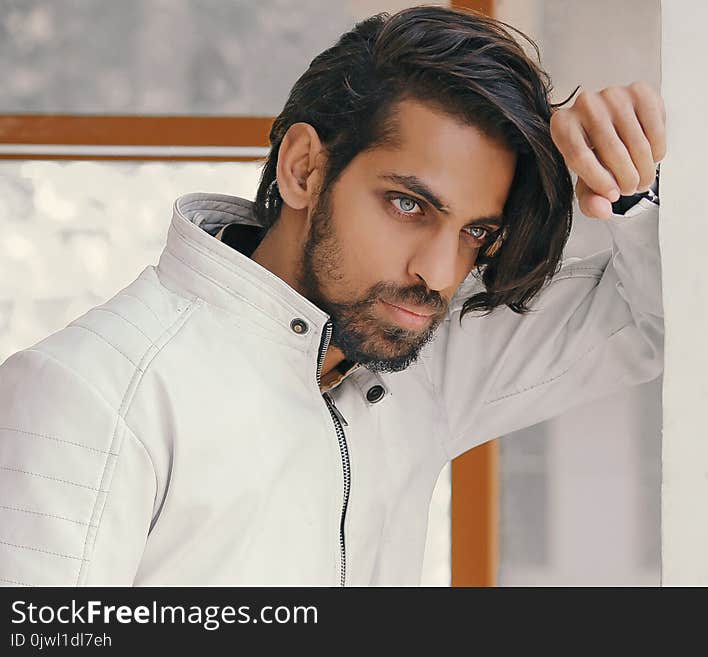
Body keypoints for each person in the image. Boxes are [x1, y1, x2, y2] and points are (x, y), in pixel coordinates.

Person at [0, 5, 665, 586]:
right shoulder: (91, 394)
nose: (438, 271)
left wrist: (625, 182)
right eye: (408, 204)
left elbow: (654, 320)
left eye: (474, 231)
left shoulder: (418, 361)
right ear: (304, 168)